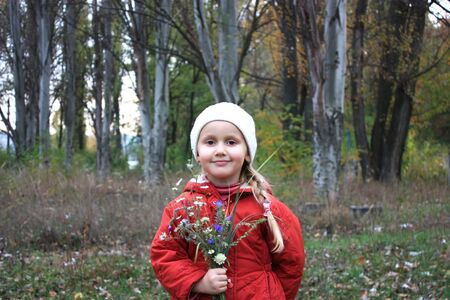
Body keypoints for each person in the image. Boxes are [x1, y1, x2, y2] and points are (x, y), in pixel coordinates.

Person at [151, 102, 305, 300]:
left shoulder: (267, 207)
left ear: (247, 153)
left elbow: (291, 262)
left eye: (231, 142)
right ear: (197, 153)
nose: (220, 150)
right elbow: (165, 255)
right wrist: (198, 281)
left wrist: (273, 294)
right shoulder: (183, 208)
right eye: (210, 142)